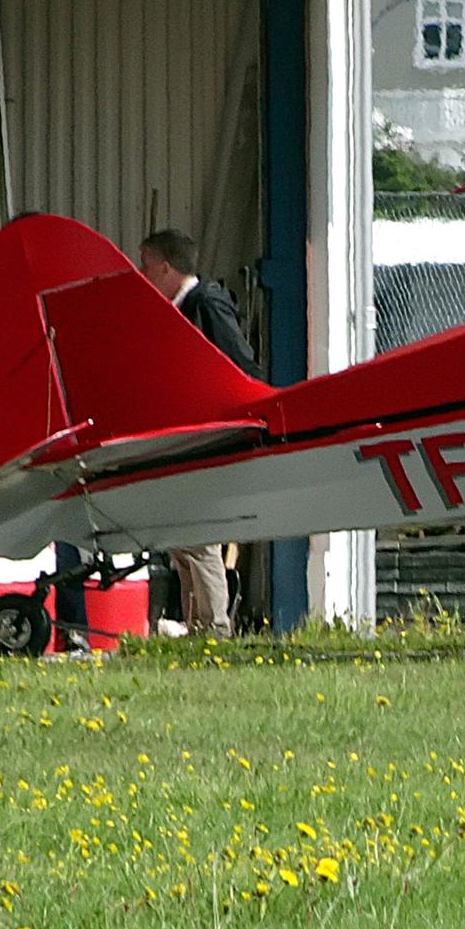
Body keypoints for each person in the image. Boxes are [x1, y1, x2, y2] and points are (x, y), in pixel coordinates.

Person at [137, 228, 262, 639]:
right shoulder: (178, 309)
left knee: (197, 534)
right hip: (185, 436)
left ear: (166, 267)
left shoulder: (205, 303)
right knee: (182, 537)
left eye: (147, 265)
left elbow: (239, 362)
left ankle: (213, 628)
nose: (143, 273)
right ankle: (198, 624)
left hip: (207, 436)